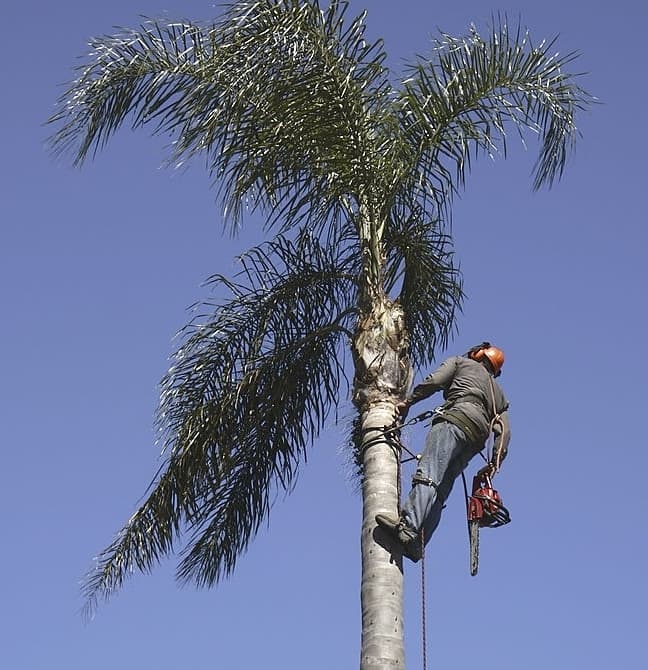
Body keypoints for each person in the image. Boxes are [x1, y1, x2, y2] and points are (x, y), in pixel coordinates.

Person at [375, 342, 511, 561]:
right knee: (441, 490)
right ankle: (418, 544)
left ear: (478, 355)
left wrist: (409, 401)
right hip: (475, 440)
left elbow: (435, 381)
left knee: (429, 475)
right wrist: (494, 463)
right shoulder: (499, 394)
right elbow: (504, 432)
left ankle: (407, 526)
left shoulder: (461, 362)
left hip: (454, 421)